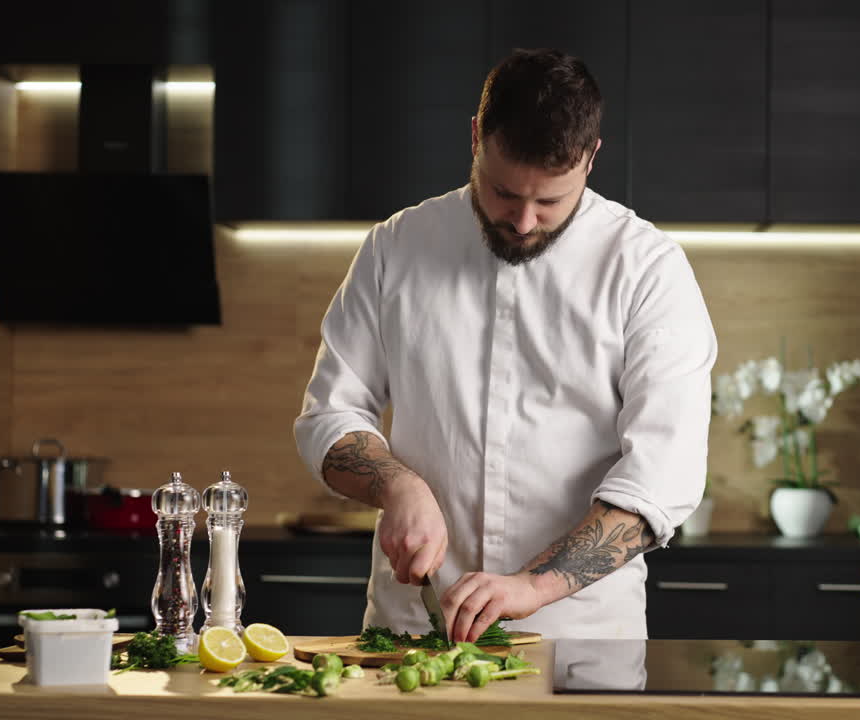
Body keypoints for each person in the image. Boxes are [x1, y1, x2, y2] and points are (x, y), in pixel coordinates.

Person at [294, 48, 716, 643]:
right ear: (474, 137)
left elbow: (662, 477)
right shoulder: (396, 247)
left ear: (592, 158)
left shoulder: (648, 270)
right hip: (413, 631)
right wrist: (397, 484)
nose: (522, 221)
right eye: (502, 193)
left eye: (549, 202)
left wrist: (533, 586)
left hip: (581, 644)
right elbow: (329, 415)